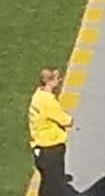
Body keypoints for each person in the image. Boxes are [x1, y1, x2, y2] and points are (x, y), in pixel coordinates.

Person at [28, 66, 73, 196]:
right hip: (51, 149)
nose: (59, 81)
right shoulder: (48, 101)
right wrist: (70, 120)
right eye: (58, 78)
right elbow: (65, 120)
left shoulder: (38, 96)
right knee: (54, 187)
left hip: (40, 148)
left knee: (46, 184)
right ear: (50, 81)